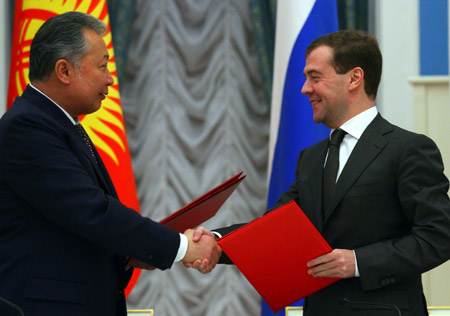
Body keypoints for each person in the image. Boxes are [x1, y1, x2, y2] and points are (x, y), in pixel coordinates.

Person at [188, 30, 450, 315]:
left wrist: (358, 262)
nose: (304, 88)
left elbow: (438, 236)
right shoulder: (312, 158)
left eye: (315, 77)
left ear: (354, 78)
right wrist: (214, 242)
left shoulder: (407, 149)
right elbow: (271, 232)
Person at [0, 11, 220, 316]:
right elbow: (91, 211)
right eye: (102, 66)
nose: (109, 78)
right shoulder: (27, 128)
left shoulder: (59, 124)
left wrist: (131, 251)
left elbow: (76, 223)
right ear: (64, 70)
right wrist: (180, 247)